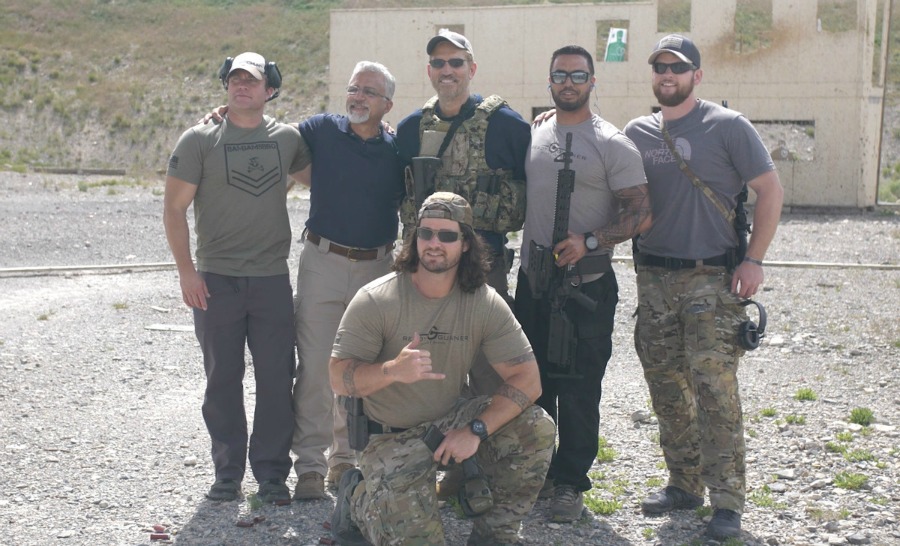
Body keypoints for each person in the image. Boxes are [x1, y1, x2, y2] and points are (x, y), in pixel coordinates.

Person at [202, 61, 405, 500]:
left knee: (365, 369)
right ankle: (310, 466)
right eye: (353, 88)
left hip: (378, 268)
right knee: (315, 367)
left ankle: (346, 461)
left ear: (387, 104)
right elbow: (263, 129)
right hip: (324, 261)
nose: (358, 97)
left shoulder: (398, 146)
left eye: (369, 92)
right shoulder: (319, 130)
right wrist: (225, 113)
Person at [623, 34, 784, 540]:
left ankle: (728, 501)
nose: (667, 74)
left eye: (678, 67)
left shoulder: (727, 126)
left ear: (697, 75)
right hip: (653, 279)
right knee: (666, 388)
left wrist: (754, 258)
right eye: (659, 67)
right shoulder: (637, 132)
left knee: (715, 392)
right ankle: (684, 483)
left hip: (713, 279)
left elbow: (769, 190)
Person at [327, 192, 555, 546]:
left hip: (450, 424)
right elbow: (337, 376)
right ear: (414, 238)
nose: (434, 243)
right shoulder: (377, 299)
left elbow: (528, 380)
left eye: (447, 235)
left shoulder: (482, 300)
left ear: (465, 243)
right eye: (426, 233)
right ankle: (357, 498)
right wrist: (391, 371)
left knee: (536, 427)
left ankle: (494, 536)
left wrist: (476, 431)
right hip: (388, 438)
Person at [163, 52, 310, 505]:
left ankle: (271, 475)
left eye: (252, 80)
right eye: (235, 79)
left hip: (270, 281)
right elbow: (173, 208)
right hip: (216, 280)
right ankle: (226, 473)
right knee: (221, 379)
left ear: (270, 90)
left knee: (275, 379)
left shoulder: (287, 140)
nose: (241, 86)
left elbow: (324, 177)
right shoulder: (200, 139)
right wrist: (187, 273)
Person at [515, 45, 650, 523]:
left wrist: (591, 240)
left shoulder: (613, 143)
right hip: (532, 282)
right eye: (560, 75)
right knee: (531, 384)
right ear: (549, 81)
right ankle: (537, 474)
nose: (568, 82)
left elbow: (641, 211)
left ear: (593, 81)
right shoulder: (537, 132)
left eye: (577, 75)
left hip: (585, 286)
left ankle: (571, 483)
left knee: (578, 389)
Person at [395, 26, 531, 498]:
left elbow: (532, 187)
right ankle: (436, 467)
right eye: (438, 63)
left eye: (456, 62)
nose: (447, 70)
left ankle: (496, 471)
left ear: (471, 69)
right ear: (429, 70)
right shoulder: (412, 127)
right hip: (426, 268)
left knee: (490, 370)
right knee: (433, 369)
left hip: (482, 269)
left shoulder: (508, 125)